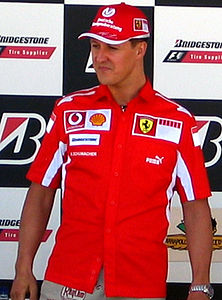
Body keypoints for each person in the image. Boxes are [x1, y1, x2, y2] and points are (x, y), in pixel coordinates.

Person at [11, 3, 213, 300]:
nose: (99, 58)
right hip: (68, 279)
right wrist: (23, 268)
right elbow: (40, 193)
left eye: (112, 48)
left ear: (140, 49)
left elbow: (196, 209)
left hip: (140, 284)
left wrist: (200, 284)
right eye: (95, 46)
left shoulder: (178, 121)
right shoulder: (68, 111)